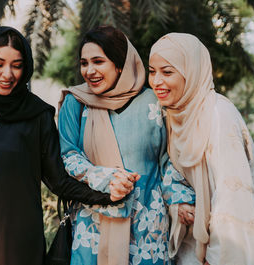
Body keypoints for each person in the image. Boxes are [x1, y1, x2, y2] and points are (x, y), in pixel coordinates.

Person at [0, 26, 125, 265]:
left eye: (16, 65)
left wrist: (108, 195)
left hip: (18, 244)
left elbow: (58, 180)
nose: (7, 74)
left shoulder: (37, 115)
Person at [58, 25, 195, 265]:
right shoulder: (76, 102)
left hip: (147, 226)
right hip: (94, 225)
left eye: (98, 61)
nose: (89, 71)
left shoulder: (154, 102)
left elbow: (167, 160)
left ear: (120, 64)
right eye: (84, 63)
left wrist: (180, 198)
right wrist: (105, 178)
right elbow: (69, 155)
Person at [148, 32, 254, 265]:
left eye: (167, 72)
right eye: (152, 71)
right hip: (191, 248)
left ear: (191, 72)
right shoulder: (175, 115)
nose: (156, 81)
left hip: (219, 253)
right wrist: (178, 201)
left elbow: (233, 197)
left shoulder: (218, 114)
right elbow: (172, 172)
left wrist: (218, 258)